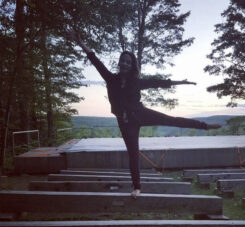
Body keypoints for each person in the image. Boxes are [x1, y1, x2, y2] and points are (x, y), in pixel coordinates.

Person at [67, 30, 221, 198]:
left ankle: (204, 126)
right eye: (123, 61)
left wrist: (181, 82)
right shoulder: (111, 79)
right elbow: (95, 60)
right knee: (133, 153)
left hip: (141, 114)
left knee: (171, 120)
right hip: (125, 123)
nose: (125, 64)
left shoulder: (137, 82)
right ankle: (137, 187)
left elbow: (159, 83)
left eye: (128, 62)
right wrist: (81, 43)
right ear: (119, 63)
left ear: (132, 65)